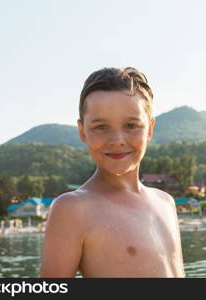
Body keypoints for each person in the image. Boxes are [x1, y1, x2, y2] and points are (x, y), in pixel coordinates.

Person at [40, 67, 185, 278]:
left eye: (131, 125)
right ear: (82, 132)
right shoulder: (72, 209)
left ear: (150, 129)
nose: (117, 140)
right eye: (101, 127)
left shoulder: (166, 203)